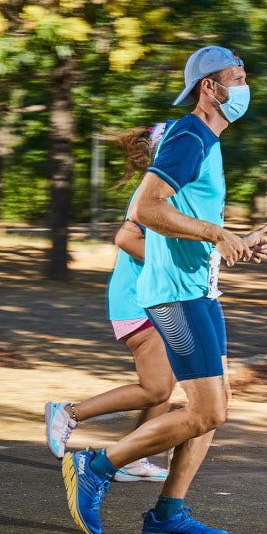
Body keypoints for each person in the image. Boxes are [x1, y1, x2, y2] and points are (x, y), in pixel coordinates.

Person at [61, 45, 267, 534]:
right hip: (173, 297)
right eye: (237, 77)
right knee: (207, 411)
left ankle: (167, 514)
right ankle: (96, 466)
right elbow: (146, 208)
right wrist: (216, 234)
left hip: (199, 290)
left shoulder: (207, 142)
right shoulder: (190, 134)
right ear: (210, 87)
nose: (244, 87)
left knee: (217, 405)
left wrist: (233, 240)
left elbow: (182, 218)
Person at [44, 123, 174, 483]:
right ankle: (68, 412)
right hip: (137, 300)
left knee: (165, 382)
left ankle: (135, 455)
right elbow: (126, 240)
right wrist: (177, 266)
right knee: (157, 388)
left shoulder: (169, 190)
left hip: (156, 298)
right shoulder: (154, 192)